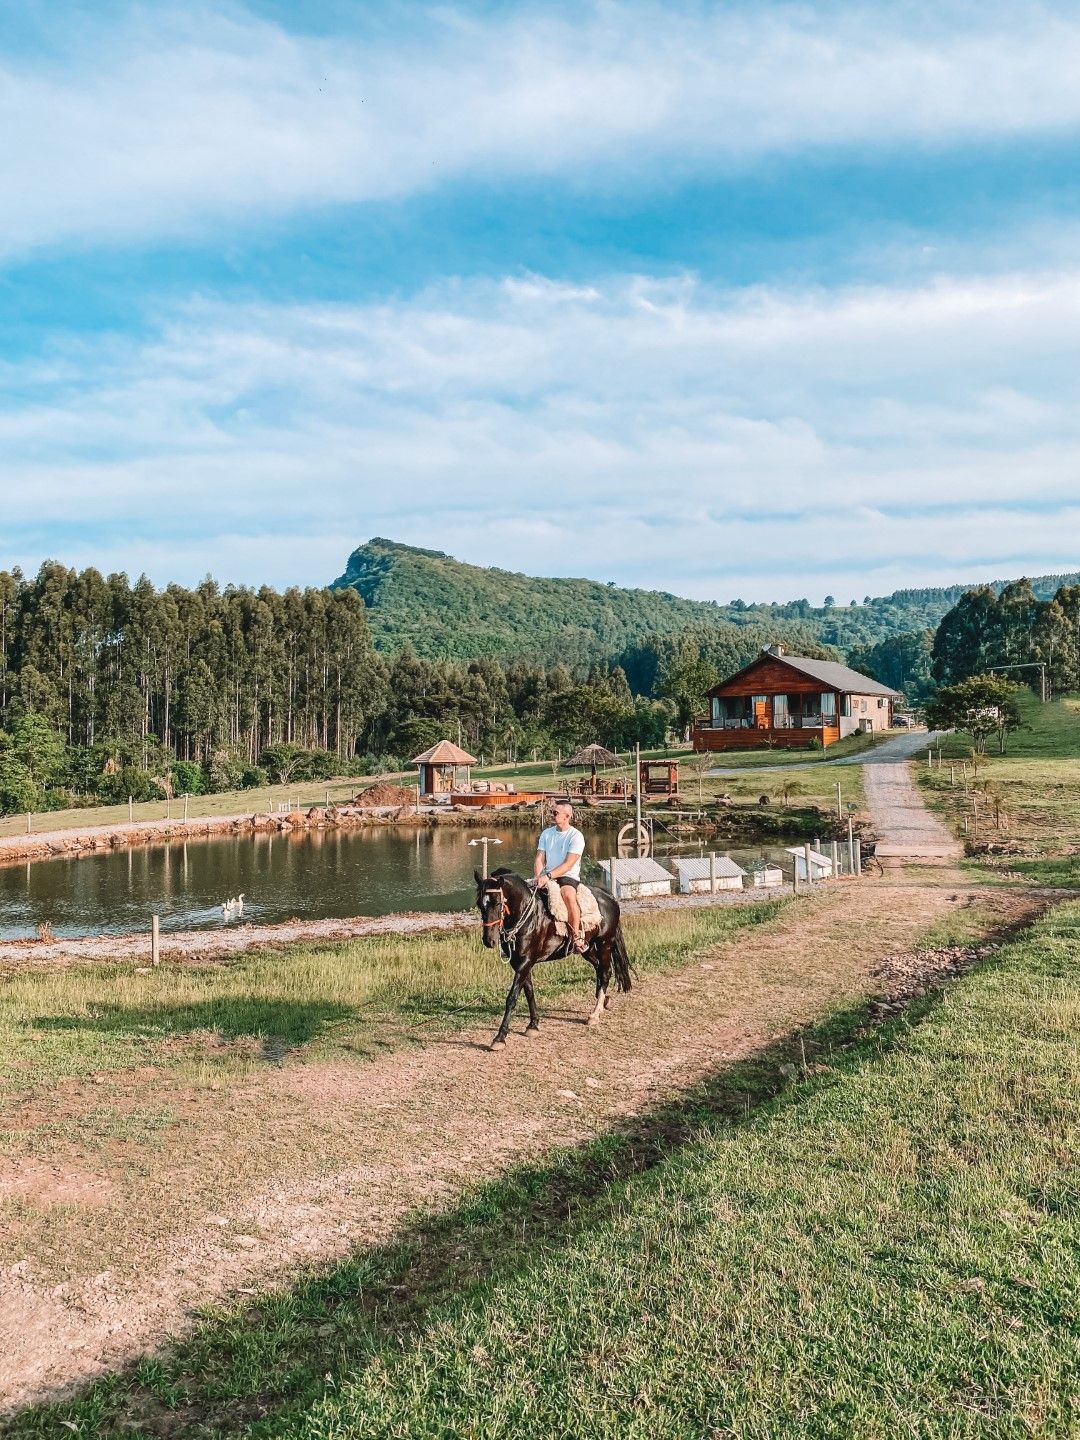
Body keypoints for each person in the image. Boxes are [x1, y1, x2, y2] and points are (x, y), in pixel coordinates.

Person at [534, 801, 588, 952]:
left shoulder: (576, 836)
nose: (552, 815)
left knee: (568, 894)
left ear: (567, 816)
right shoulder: (546, 833)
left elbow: (568, 864)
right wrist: (538, 876)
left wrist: (548, 876)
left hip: (567, 876)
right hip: (547, 875)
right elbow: (540, 857)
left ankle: (576, 937)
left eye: (555, 813)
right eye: (552, 812)